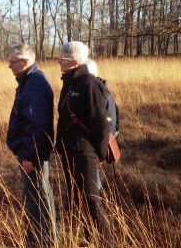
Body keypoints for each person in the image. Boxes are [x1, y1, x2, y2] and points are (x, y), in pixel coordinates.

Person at [55, 41, 112, 247]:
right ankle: (87, 241)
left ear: (75, 61)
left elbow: (100, 123)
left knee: (92, 201)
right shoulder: (69, 83)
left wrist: (98, 153)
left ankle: (106, 243)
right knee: (76, 201)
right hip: (69, 152)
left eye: (63, 58)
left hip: (85, 152)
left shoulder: (88, 83)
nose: (59, 60)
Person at [6, 44, 57, 247]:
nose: (9, 66)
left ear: (25, 62)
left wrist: (29, 156)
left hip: (32, 157)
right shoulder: (28, 80)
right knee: (34, 198)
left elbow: (37, 125)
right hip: (29, 154)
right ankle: (36, 240)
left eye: (12, 62)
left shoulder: (35, 83)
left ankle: (43, 242)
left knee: (38, 200)